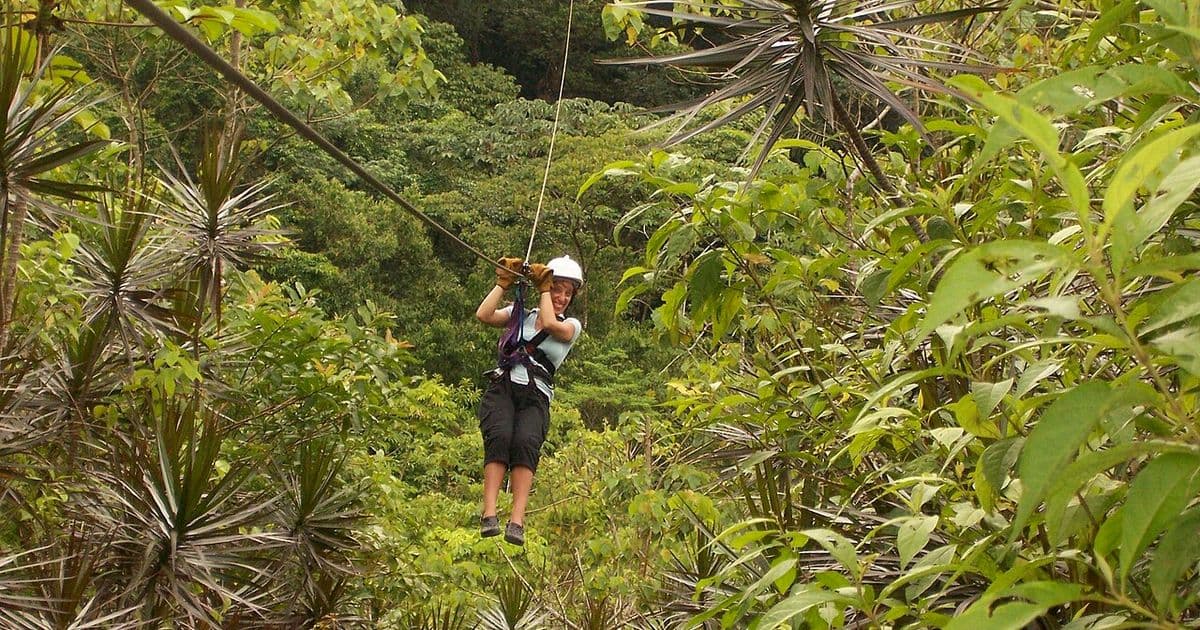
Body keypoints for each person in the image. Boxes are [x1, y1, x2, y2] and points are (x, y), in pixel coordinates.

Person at [474, 255, 584, 546]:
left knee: (524, 443)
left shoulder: (571, 326)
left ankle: (517, 520)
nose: (560, 297)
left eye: (566, 293)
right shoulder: (521, 313)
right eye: (556, 289)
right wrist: (503, 283)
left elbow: (549, 321)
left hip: (536, 394)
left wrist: (544, 289)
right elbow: (484, 315)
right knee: (499, 436)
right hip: (505, 386)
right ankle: (489, 513)